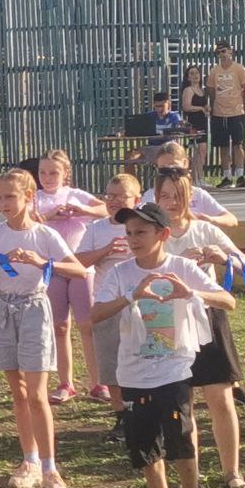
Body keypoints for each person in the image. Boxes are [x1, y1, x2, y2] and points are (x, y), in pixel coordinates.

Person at [91, 202, 235, 488]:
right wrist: (132, 296)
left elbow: (228, 301)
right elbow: (95, 314)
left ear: (163, 234)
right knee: (145, 447)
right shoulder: (121, 273)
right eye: (129, 233)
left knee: (180, 440)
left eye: (141, 232)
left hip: (174, 370)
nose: (133, 239)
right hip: (133, 373)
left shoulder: (181, 267)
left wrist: (192, 292)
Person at [0, 169, 86, 488]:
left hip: (35, 308)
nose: (3, 203)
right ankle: (30, 461)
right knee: (19, 393)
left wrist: (43, 263)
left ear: (28, 197)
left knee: (37, 395)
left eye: (10, 196)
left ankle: (50, 469)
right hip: (3, 308)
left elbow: (78, 269)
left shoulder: (44, 235)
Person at [154, 170, 245, 488]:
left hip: (209, 317)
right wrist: (176, 266)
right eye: (165, 196)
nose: (171, 203)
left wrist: (223, 258)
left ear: (190, 198)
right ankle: (191, 479)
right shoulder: (154, 233)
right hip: (169, 321)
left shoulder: (205, 230)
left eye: (178, 196)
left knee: (220, 398)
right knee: (181, 404)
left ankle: (233, 475)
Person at [34, 149, 109, 405]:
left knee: (87, 325)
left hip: (80, 269)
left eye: (53, 172)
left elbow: (105, 209)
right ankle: (66, 382)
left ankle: (98, 382)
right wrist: (49, 216)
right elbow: (27, 220)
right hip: (52, 269)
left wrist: (80, 210)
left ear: (66, 173)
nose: (47, 177)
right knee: (59, 326)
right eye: (43, 172)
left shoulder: (76, 195)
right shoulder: (35, 198)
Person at [75, 173, 141, 443]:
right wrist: (105, 250)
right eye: (109, 195)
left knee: (141, 359)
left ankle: (142, 412)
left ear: (136, 199)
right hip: (106, 305)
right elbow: (79, 261)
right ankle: (122, 416)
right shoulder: (96, 228)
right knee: (110, 364)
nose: (113, 201)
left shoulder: (142, 226)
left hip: (140, 305)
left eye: (121, 196)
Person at [141, 142, 238, 228]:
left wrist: (210, 220)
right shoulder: (151, 195)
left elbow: (231, 219)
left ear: (185, 163)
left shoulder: (198, 194)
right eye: (163, 168)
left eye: (173, 165)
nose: (169, 171)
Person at [206, 41, 245, 189]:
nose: (222, 54)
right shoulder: (215, 71)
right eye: (219, 52)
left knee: (238, 144)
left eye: (224, 51)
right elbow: (211, 90)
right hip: (219, 113)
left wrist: (240, 103)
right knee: (223, 146)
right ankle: (227, 176)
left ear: (230, 52)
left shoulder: (239, 69)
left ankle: (240, 175)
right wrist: (215, 105)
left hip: (236, 112)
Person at [180, 65, 211, 188]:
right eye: (192, 73)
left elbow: (203, 105)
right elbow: (186, 106)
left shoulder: (202, 91)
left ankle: (199, 177)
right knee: (198, 149)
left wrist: (206, 108)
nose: (195, 76)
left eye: (197, 73)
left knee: (202, 151)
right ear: (188, 77)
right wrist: (200, 108)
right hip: (194, 122)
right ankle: (196, 179)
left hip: (203, 122)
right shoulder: (188, 90)